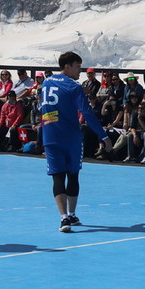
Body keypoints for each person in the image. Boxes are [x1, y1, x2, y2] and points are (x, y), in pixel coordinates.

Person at [38, 51, 112, 232]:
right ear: (68, 66)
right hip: (70, 137)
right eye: (78, 66)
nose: (81, 70)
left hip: (51, 135)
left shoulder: (46, 82)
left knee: (57, 176)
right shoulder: (74, 86)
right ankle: (70, 214)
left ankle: (64, 218)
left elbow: (42, 108)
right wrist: (103, 135)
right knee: (73, 174)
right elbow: (86, 112)